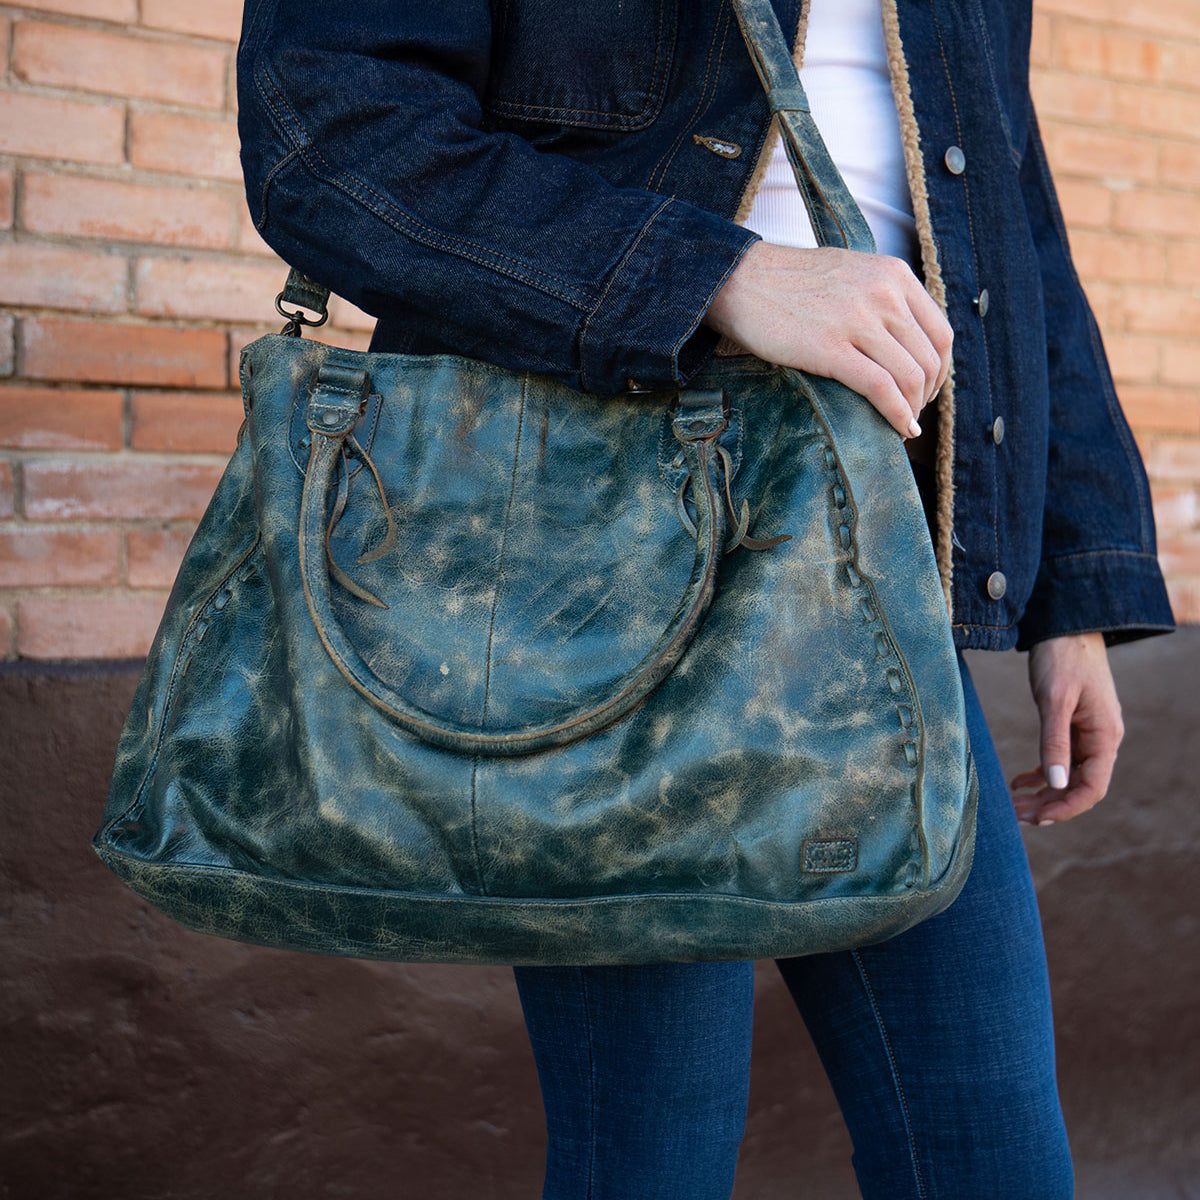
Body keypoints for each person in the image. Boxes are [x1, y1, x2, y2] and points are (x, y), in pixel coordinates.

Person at [236, 1, 1175, 1195]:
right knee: (651, 1158)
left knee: (993, 1156)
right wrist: (717, 278)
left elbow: (1014, 214)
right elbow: (326, 129)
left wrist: (1072, 588)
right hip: (585, 565)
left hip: (872, 556)